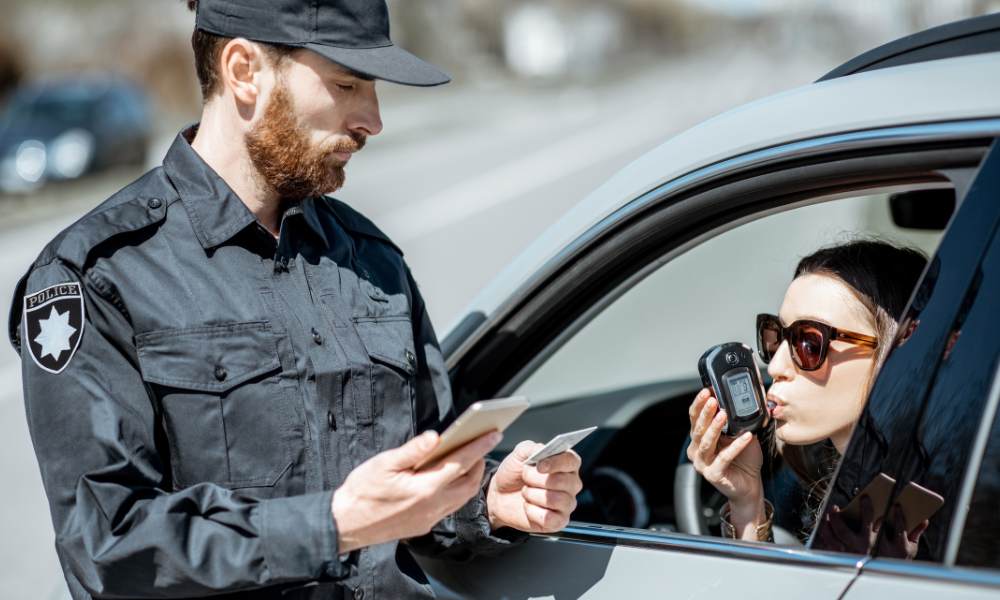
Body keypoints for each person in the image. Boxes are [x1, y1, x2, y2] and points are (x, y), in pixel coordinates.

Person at [8, 1, 583, 598]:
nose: (373, 119)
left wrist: (486, 500)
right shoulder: (98, 275)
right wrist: (332, 526)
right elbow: (108, 545)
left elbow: (417, 480)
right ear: (244, 71)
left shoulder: (372, 258)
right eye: (346, 84)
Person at [686, 239, 927, 553]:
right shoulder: (870, 494)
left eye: (809, 344)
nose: (775, 366)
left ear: (899, 349)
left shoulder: (955, 505)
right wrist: (747, 502)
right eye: (776, 337)